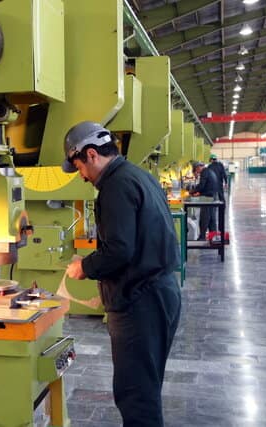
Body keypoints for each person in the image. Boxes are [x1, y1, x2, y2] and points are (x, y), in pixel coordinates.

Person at [62, 121, 181, 426]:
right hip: (158, 292)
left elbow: (119, 250)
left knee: (136, 394)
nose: (81, 175)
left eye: (79, 167)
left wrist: (84, 267)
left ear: (91, 154)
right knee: (145, 387)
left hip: (141, 302)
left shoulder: (114, 186)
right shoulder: (138, 175)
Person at [191, 162, 220, 240]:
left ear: (198, 167)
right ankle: (213, 236)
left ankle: (202, 237)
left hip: (208, 198)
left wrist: (192, 192)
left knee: (204, 218)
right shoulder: (209, 171)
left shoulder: (204, 172)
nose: (197, 173)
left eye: (196, 170)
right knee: (212, 219)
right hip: (213, 197)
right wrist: (199, 192)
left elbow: (201, 186)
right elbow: (206, 185)